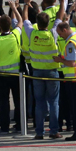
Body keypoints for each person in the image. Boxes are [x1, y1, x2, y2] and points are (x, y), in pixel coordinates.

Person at [27, 11, 61, 140]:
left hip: (37, 71)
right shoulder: (52, 33)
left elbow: (25, 21)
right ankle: (53, 131)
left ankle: (39, 132)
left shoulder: (32, 33)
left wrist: (26, 6)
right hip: (52, 71)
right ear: (48, 23)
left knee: (39, 102)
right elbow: (59, 17)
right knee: (53, 102)